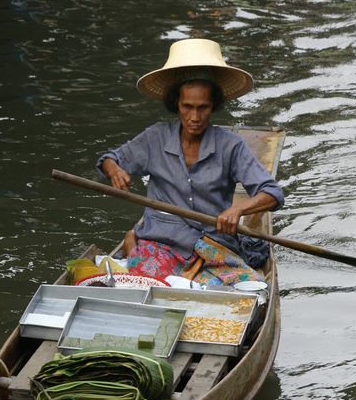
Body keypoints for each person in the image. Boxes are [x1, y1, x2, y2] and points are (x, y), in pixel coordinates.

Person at [97, 38, 284, 286]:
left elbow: (273, 193)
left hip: (212, 246)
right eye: (187, 107)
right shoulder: (156, 138)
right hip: (161, 241)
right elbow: (109, 159)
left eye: (202, 108)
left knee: (248, 290)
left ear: (213, 106)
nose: (194, 117)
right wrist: (114, 170)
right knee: (147, 284)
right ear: (176, 104)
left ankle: (138, 249)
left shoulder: (230, 146)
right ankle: (134, 242)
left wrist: (238, 209)